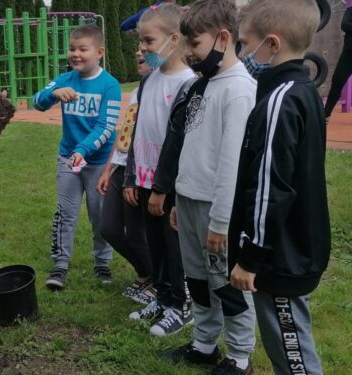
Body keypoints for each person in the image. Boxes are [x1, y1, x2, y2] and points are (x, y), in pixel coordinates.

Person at [156, 1, 257, 374]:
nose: (189, 54)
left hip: (218, 212)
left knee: (225, 284)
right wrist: (180, 200)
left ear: (223, 38)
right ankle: (204, 343)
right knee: (197, 279)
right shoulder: (204, 84)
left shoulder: (240, 90)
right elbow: (191, 147)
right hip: (190, 202)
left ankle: (240, 355)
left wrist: (219, 222)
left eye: (194, 44)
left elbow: (232, 164)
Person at [229, 1, 329, 374]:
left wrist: (251, 256)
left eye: (245, 43)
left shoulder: (281, 100)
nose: (242, 54)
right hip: (289, 246)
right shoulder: (301, 91)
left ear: (271, 44)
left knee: (293, 351)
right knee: (285, 344)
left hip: (279, 253)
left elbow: (271, 185)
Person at [123, 3, 196, 337]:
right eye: (141, 41)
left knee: (174, 247)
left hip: (168, 186)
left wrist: (164, 189)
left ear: (174, 39)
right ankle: (163, 298)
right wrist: (132, 176)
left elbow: (180, 142)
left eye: (149, 41)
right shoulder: (149, 80)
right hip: (145, 180)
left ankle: (181, 306)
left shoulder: (188, 84)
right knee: (155, 245)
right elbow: (138, 131)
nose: (142, 48)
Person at [33, 25, 122, 290]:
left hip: (97, 165)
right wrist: (53, 94)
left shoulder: (110, 85)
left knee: (100, 215)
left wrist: (81, 151)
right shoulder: (64, 79)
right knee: (65, 213)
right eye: (72, 48)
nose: (76, 54)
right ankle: (60, 265)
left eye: (83, 49)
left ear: (99, 52)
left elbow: (106, 128)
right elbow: (36, 101)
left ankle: (102, 263)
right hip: (68, 160)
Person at [97, 51, 155, 304]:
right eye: (138, 46)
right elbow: (126, 131)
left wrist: (133, 177)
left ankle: (154, 279)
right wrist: (109, 168)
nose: (138, 51)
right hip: (120, 167)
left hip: (139, 171)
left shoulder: (163, 91)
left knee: (136, 234)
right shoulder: (138, 91)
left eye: (147, 44)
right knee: (108, 228)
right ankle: (147, 273)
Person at [324, 5, 352, 119]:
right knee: (337, 81)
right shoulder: (350, 10)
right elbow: (344, 25)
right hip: (349, 53)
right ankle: (325, 114)